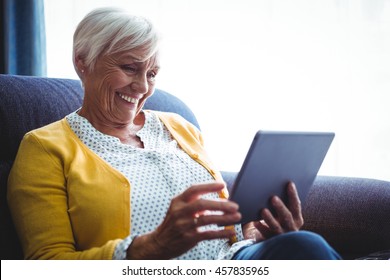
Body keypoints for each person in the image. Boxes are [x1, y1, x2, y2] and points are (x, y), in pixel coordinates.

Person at [7, 7, 341, 260]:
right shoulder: (45, 148)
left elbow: (229, 227)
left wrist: (261, 231)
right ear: (83, 61)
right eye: (129, 68)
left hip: (236, 261)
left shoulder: (179, 126)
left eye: (151, 73)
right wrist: (152, 246)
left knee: (299, 244)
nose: (142, 87)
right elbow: (48, 263)